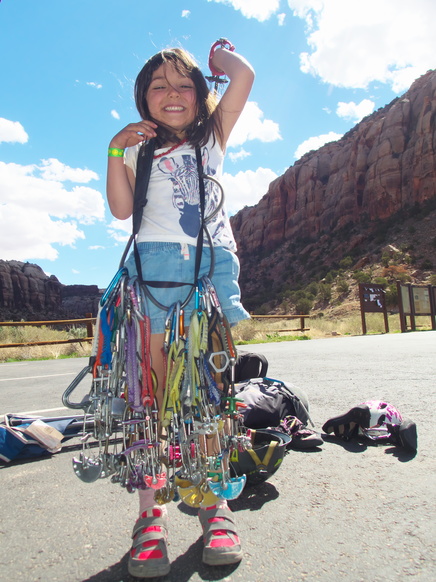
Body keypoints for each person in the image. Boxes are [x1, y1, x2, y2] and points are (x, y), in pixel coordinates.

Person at [106, 40, 254, 578]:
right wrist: (114, 150)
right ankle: (150, 517)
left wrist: (217, 60)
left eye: (183, 84)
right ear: (143, 97)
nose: (171, 94)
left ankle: (215, 507)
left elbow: (244, 77)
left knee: (208, 397)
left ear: (200, 94)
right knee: (149, 397)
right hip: (149, 276)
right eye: (158, 85)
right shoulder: (137, 148)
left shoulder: (210, 139)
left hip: (205, 276)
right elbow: (124, 210)